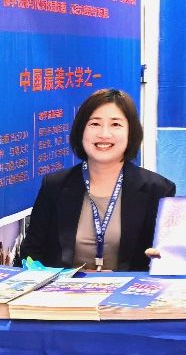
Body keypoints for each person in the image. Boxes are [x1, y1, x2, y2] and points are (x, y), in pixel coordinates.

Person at [20, 88, 175, 271]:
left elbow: (169, 259)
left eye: (115, 124)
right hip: (64, 289)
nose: (104, 134)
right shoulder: (55, 185)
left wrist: (163, 258)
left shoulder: (158, 190)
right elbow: (30, 254)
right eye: (94, 124)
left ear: (131, 132)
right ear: (81, 130)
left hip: (128, 289)